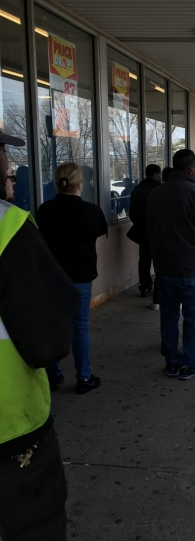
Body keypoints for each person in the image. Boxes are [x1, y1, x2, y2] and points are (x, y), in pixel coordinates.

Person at [0, 131, 118, 541]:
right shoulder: (9, 227)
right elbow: (48, 335)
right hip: (11, 423)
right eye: (4, 159)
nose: (10, 168)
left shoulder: (43, 214)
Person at [147, 149, 195, 380]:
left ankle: (171, 360)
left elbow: (150, 229)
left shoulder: (156, 195)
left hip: (164, 268)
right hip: (193, 269)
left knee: (168, 317)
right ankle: (191, 362)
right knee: (193, 317)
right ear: (191, 169)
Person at [36, 162, 108, 394]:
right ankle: (83, 377)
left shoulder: (45, 210)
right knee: (80, 328)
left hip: (52, 277)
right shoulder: (91, 211)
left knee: (54, 326)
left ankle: (53, 375)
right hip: (80, 276)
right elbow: (99, 230)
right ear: (80, 184)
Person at [128, 164, 162, 307]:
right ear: (155, 174)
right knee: (160, 261)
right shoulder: (159, 189)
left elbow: (132, 212)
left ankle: (145, 286)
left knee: (144, 260)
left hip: (142, 230)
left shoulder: (137, 189)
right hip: (158, 231)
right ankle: (159, 290)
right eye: (159, 173)